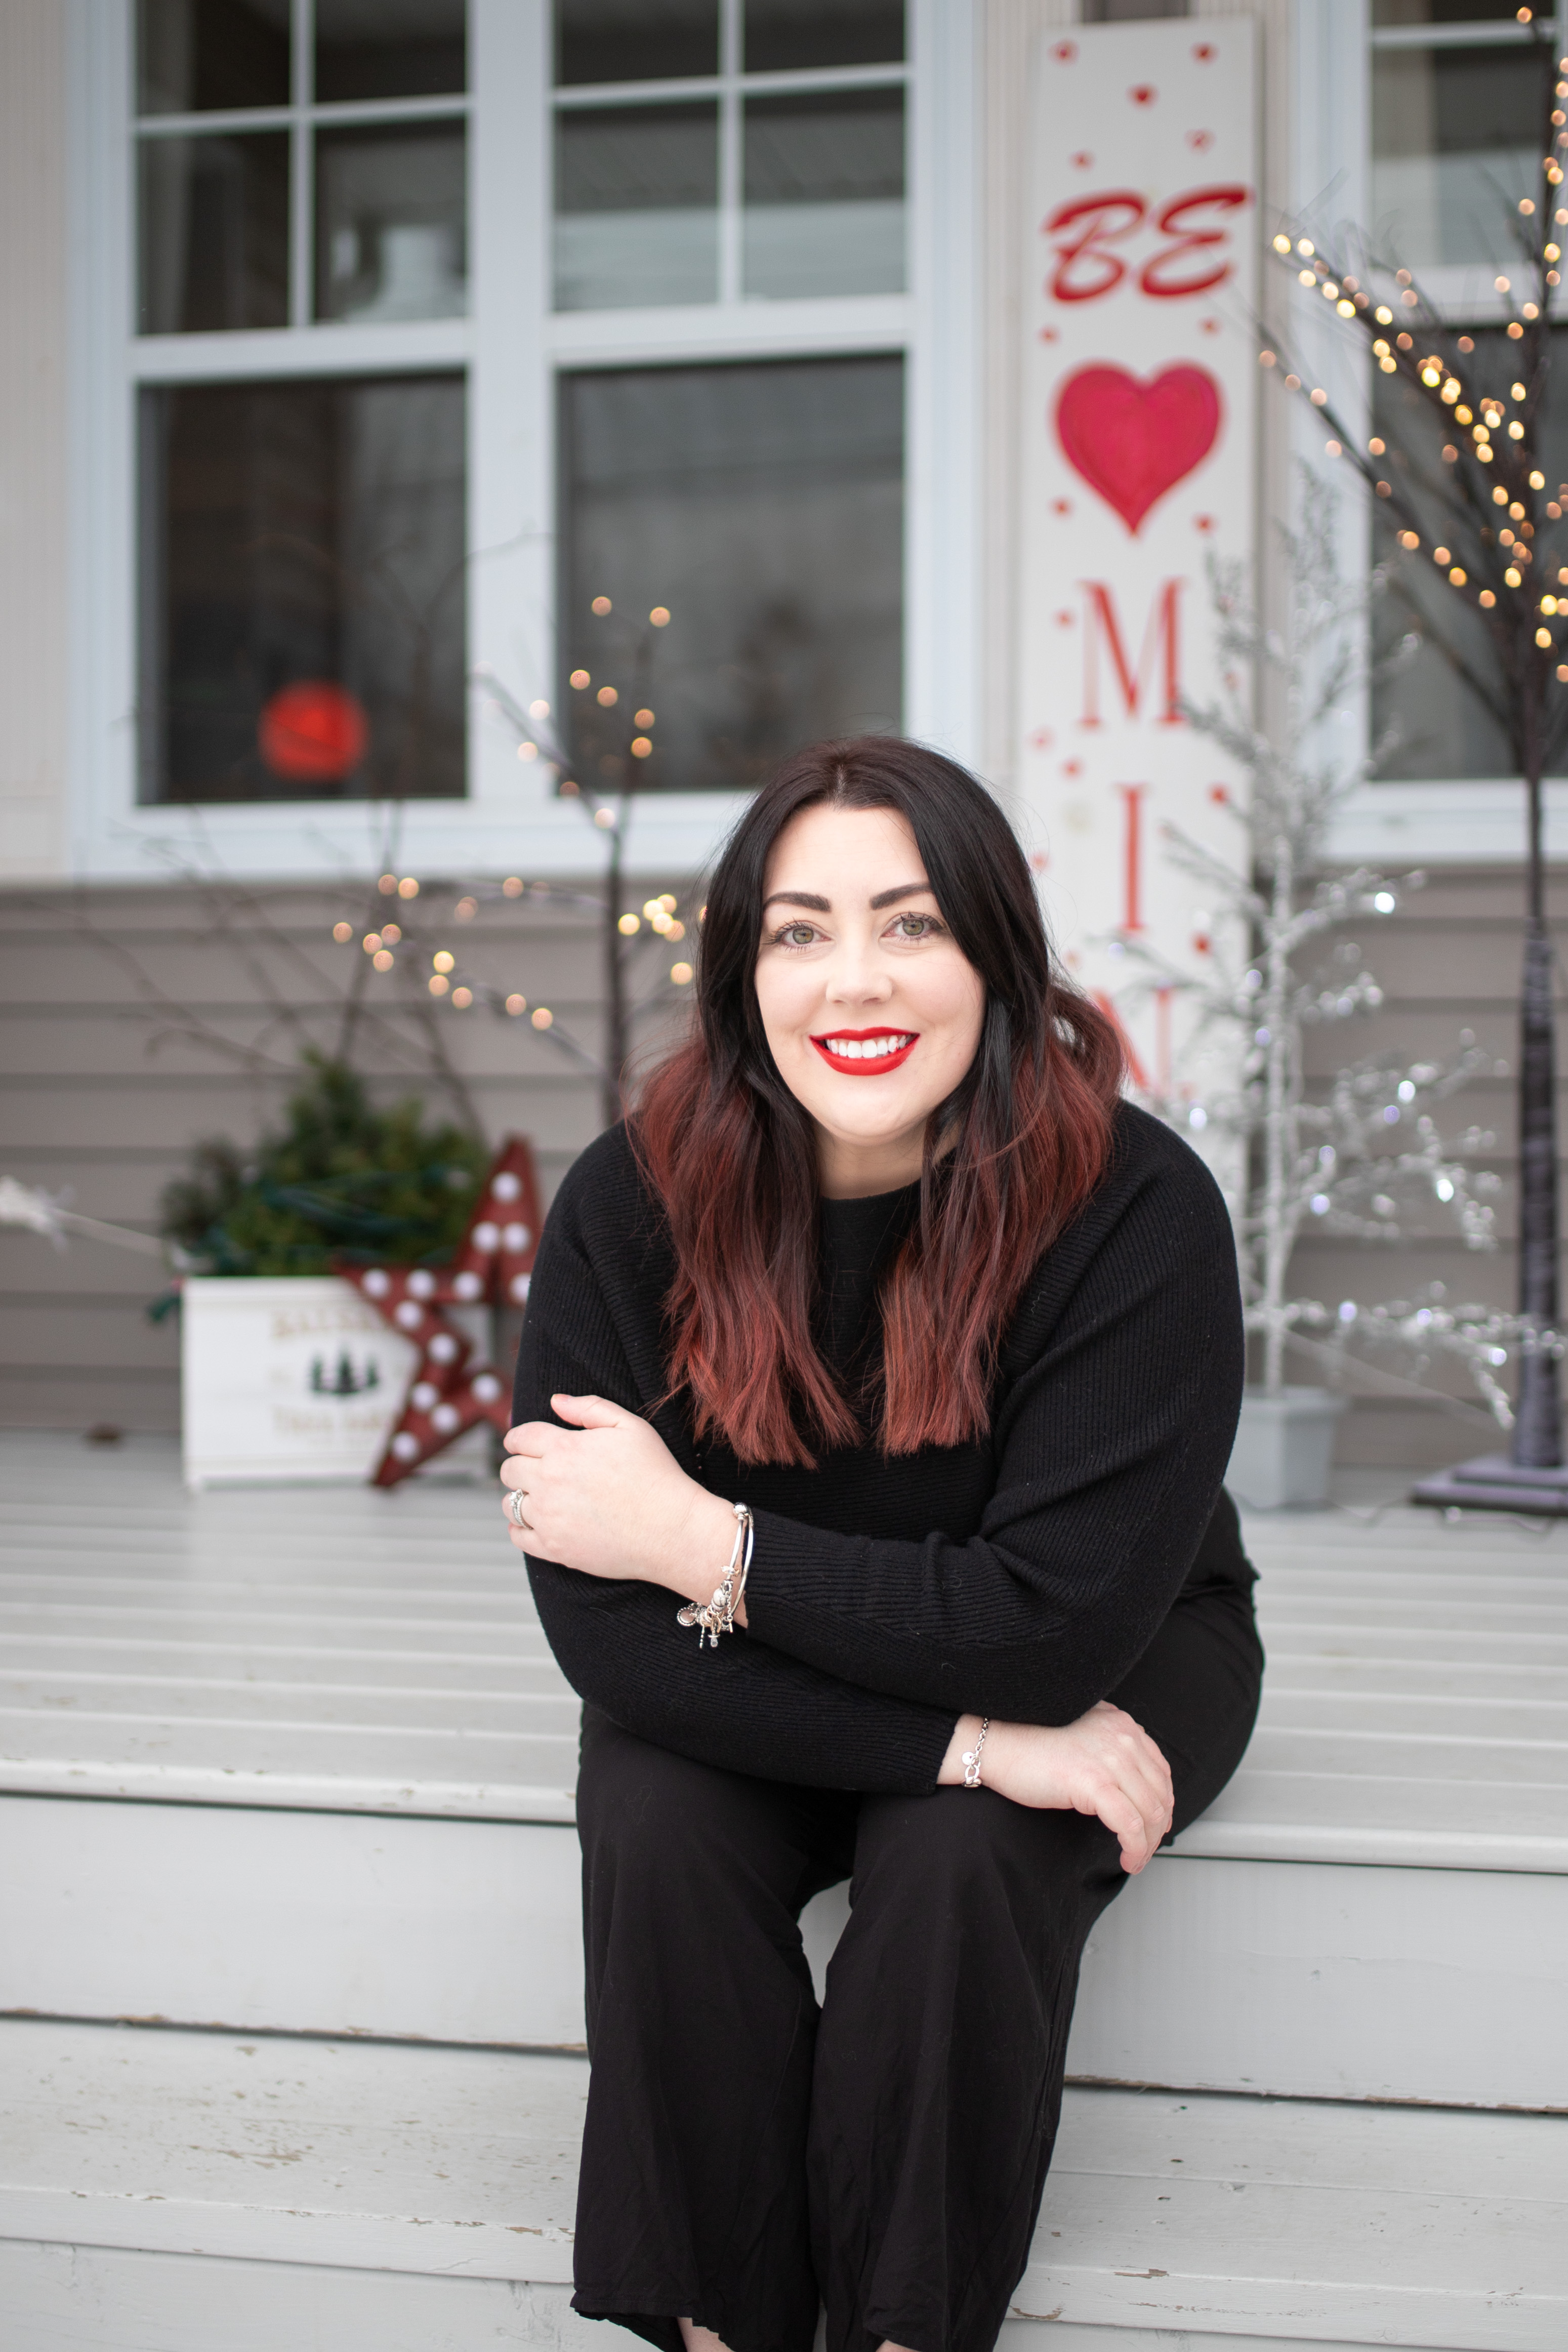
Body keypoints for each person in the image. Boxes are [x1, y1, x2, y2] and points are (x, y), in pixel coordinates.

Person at [502, 738, 1262, 2352]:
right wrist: (974, 1741)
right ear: (742, 973)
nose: (855, 978)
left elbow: (1047, 1630)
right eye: (800, 931)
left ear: (994, 954)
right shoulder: (630, 1204)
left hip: (1107, 1637)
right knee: (657, 1823)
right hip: (772, 1660)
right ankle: (718, 2328)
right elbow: (608, 1640)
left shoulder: (1132, 1206)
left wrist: (703, 1543)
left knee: (959, 1859)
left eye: (911, 923)